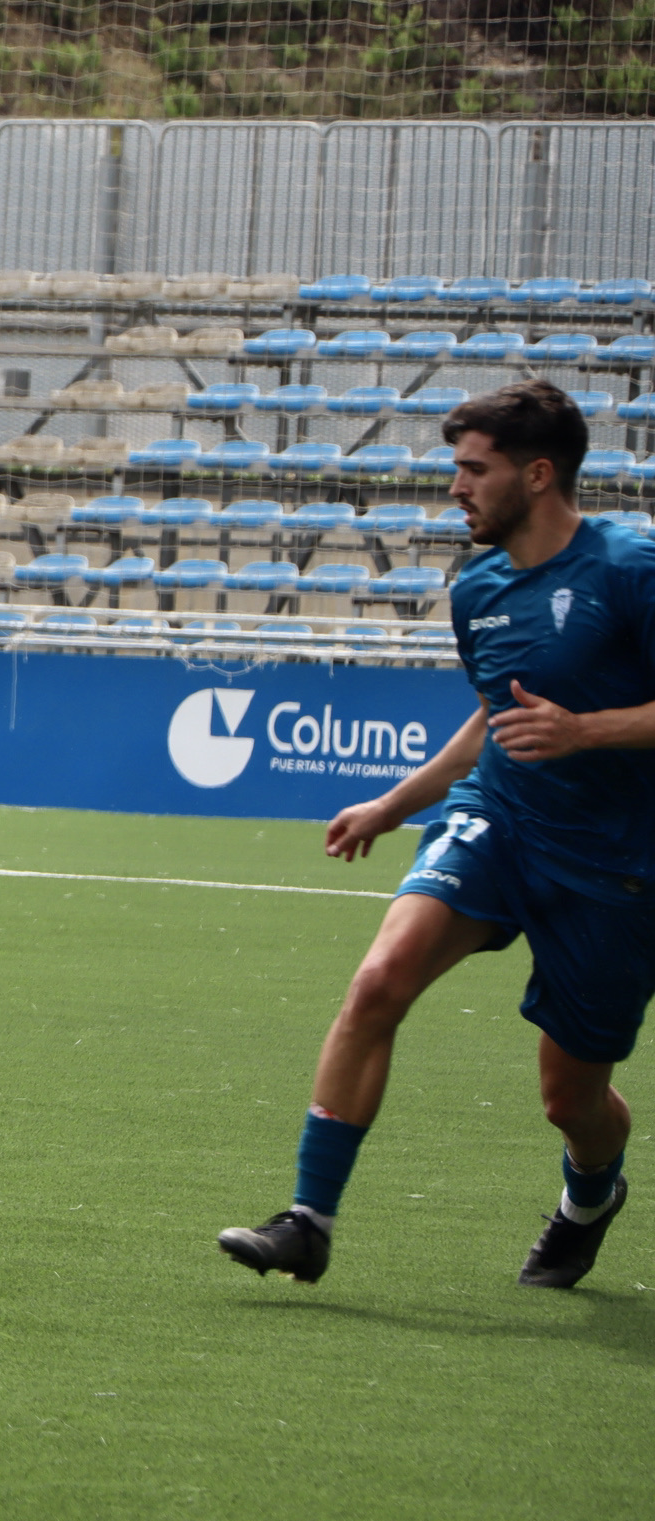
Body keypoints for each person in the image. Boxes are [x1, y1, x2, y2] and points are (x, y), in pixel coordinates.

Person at [219, 380, 655, 1289]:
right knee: (378, 981)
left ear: (538, 475)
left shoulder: (630, 571)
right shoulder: (480, 583)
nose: (455, 486)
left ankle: (590, 1198)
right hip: (498, 821)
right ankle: (308, 1219)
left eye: (473, 468)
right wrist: (396, 802)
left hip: (614, 864)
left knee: (569, 1098)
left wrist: (586, 731)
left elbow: (574, 717)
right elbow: (490, 716)